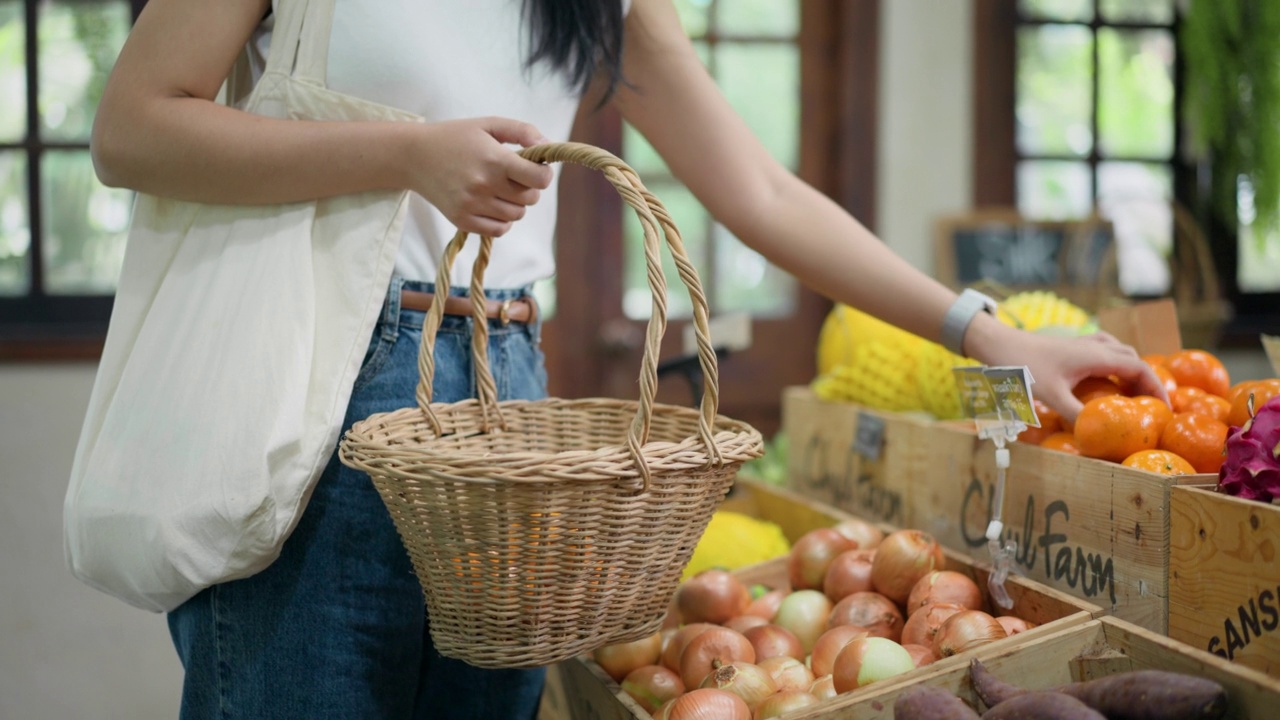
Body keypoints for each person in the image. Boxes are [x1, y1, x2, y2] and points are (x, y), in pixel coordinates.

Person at [89, 0, 1165, 718]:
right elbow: (132, 126)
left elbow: (761, 192)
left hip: (509, 392)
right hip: (320, 389)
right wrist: (407, 153)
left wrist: (984, 331)